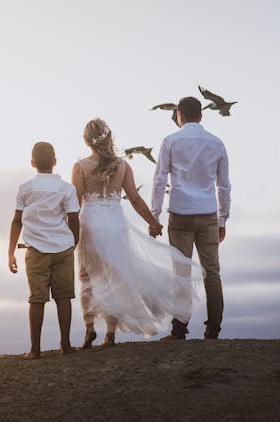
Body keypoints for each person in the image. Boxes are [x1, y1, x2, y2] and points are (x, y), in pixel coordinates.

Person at [72, 118, 202, 348]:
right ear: (109, 137)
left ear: (86, 140)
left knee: (86, 277)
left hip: (90, 223)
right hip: (115, 223)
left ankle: (89, 329)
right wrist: (153, 222)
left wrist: (65, 231)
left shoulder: (80, 166)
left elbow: (75, 201)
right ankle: (109, 334)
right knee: (115, 276)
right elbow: (134, 198)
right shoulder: (122, 166)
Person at [151, 96, 231, 340]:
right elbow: (224, 186)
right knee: (212, 272)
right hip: (207, 215)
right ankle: (214, 329)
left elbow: (159, 180)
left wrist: (154, 215)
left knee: (181, 272)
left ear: (180, 115)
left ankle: (179, 329)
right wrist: (222, 220)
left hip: (181, 214)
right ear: (202, 115)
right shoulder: (217, 143)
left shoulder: (170, 141)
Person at [8, 142, 80, 359]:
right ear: (55, 162)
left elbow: (17, 221)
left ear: (32, 163)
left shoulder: (25, 189)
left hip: (36, 250)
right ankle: (66, 345)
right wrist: (73, 243)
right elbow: (74, 219)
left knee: (37, 299)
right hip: (63, 249)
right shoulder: (67, 188)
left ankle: (35, 349)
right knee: (64, 297)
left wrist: (10, 251)